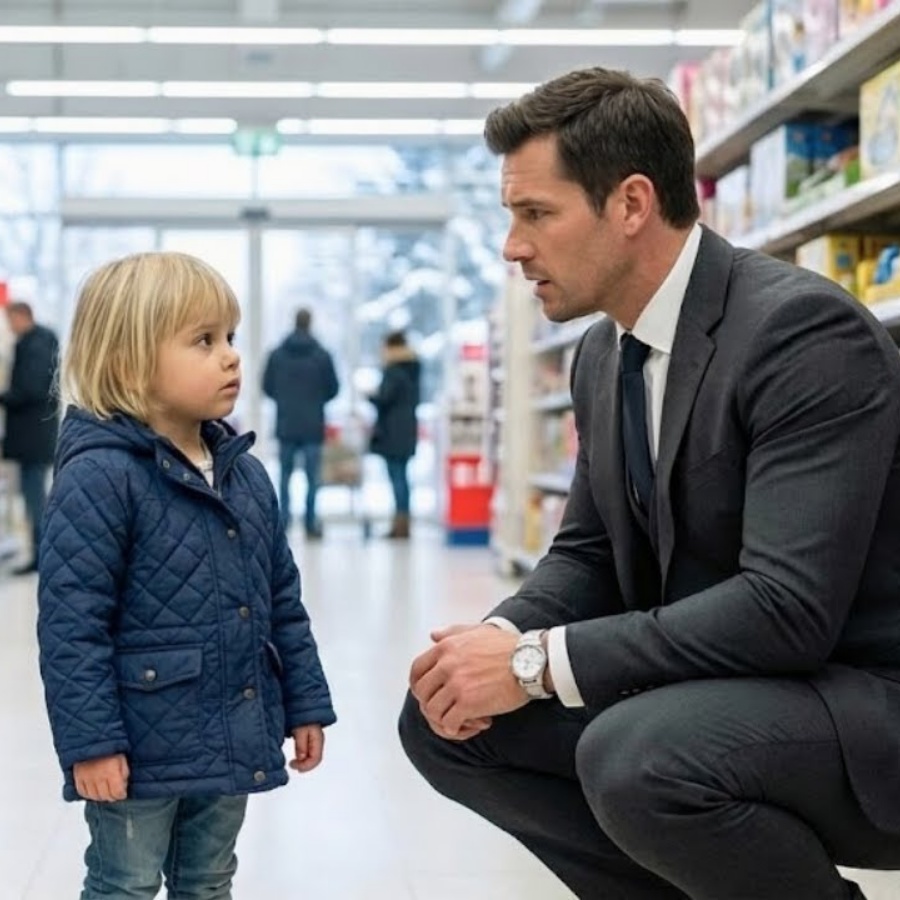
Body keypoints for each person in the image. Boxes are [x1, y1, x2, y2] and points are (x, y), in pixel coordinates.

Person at [399, 66, 900, 900]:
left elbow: (789, 610)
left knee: (639, 756)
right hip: (730, 689)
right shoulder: (605, 353)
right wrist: (490, 646)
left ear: (631, 204)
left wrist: (532, 663)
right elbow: (588, 554)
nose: (513, 246)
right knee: (448, 727)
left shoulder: (800, 334)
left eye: (536, 214)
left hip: (862, 706)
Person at [37, 252, 336, 900]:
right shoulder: (100, 476)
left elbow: (281, 599)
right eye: (204, 341)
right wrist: (90, 742)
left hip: (234, 724)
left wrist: (305, 702)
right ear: (130, 360)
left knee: (209, 880)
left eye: (230, 337)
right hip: (137, 743)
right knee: (125, 881)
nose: (230, 356)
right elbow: (71, 624)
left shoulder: (244, 472)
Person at [262, 308, 339, 539]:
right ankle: (310, 524)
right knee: (311, 477)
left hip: (286, 423)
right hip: (313, 425)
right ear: (310, 323)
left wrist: (285, 400)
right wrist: (315, 401)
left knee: (284, 475)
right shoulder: (322, 355)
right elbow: (333, 388)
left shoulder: (277, 354)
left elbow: (266, 386)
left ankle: (283, 523)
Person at [0, 300, 59, 575]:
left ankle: (42, 555)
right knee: (33, 495)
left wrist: (4, 397)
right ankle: (41, 553)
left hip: (32, 438)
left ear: (23, 316)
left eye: (10, 320)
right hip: (35, 436)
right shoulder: (41, 342)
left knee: (35, 498)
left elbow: (30, 389)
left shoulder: (34, 345)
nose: (9, 327)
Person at [368, 329, 420, 539]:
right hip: (407, 430)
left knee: (397, 477)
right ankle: (403, 523)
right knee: (403, 477)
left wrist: (371, 396)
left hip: (392, 432)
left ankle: (399, 525)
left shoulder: (394, 371)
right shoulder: (413, 369)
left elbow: (385, 398)